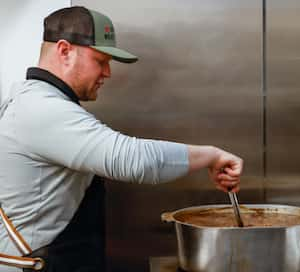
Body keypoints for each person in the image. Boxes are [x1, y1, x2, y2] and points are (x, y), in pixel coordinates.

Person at [0, 6, 243, 272]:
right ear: (64, 51)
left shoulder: (35, 100)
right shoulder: (42, 108)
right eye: (100, 61)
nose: (108, 73)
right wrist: (212, 155)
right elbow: (133, 160)